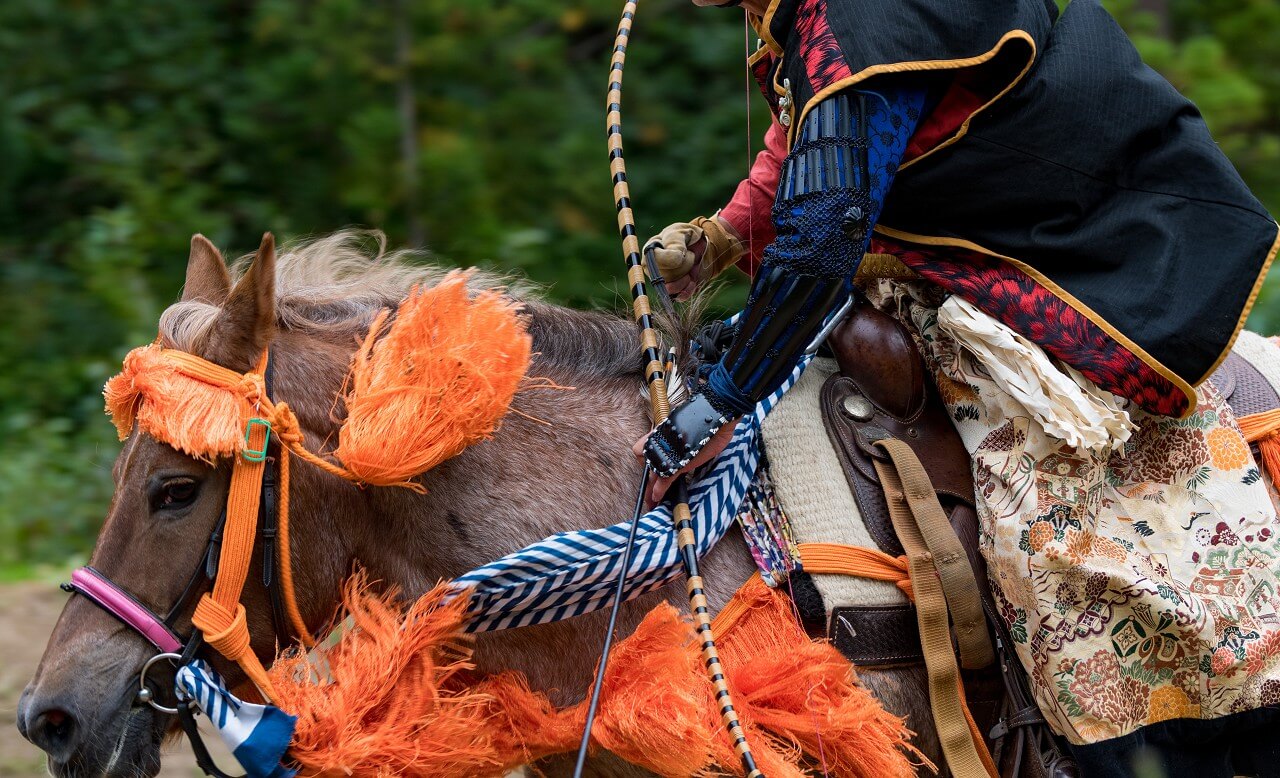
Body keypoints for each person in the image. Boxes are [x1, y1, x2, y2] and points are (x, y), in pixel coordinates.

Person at [638, 0, 1279, 504]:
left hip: (1073, 258)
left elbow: (823, 232)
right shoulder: (816, 22)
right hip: (970, 250)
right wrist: (726, 235)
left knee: (1047, 525)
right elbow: (812, 143)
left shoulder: (856, 18)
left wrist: (718, 406)